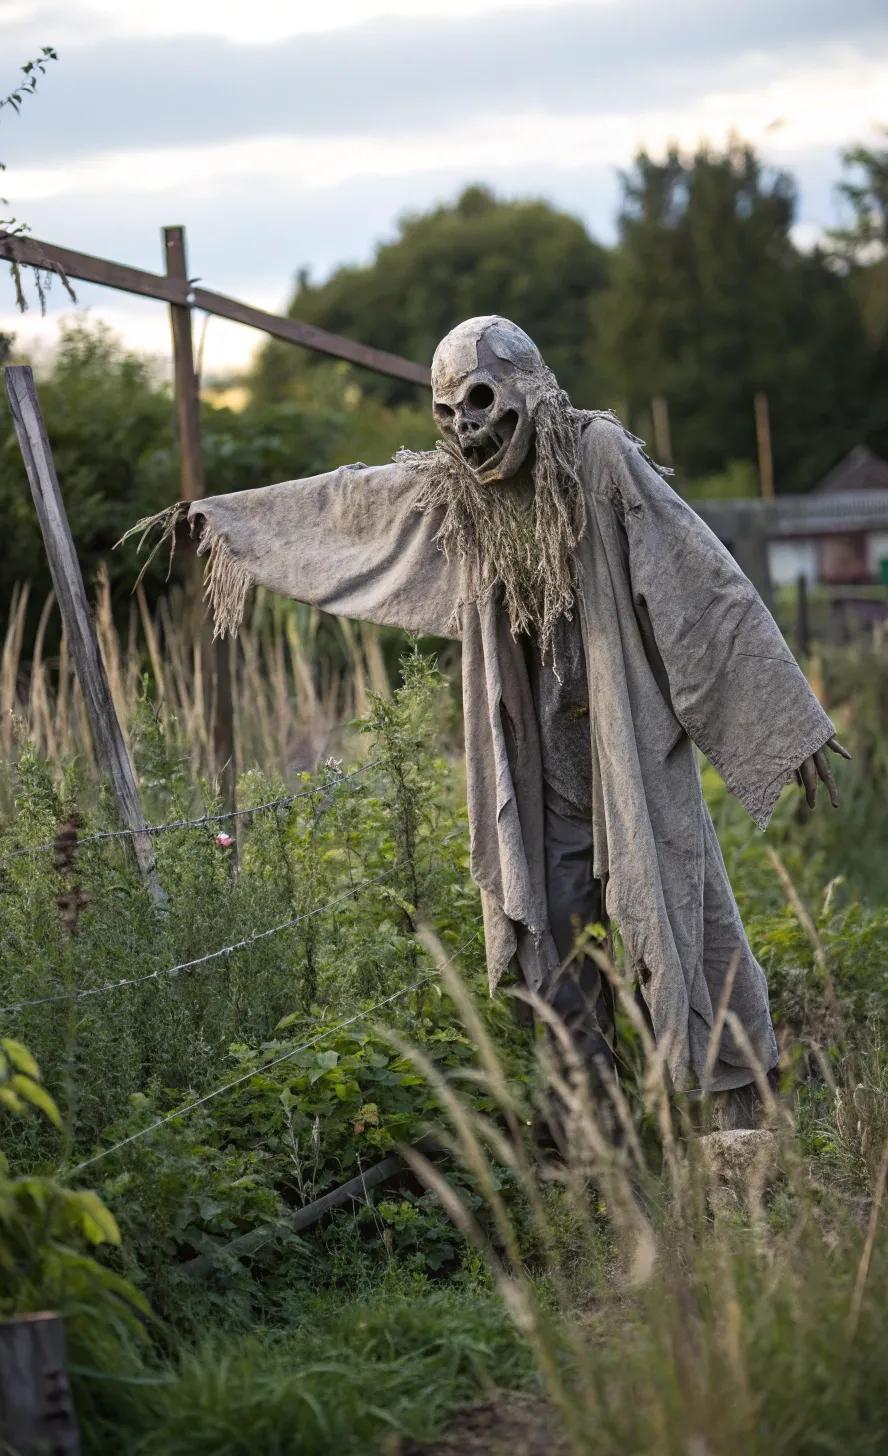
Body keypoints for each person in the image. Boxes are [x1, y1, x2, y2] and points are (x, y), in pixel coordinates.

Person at [127, 316, 847, 1122]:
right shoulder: (457, 492)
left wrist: (785, 721)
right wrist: (227, 522)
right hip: (538, 773)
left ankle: (734, 1120)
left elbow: (697, 581)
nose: (467, 429)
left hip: (623, 754)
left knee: (675, 916)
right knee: (564, 955)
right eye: (448, 413)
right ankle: (595, 1149)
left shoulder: (597, 459)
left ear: (529, 391)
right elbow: (349, 509)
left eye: (480, 401)